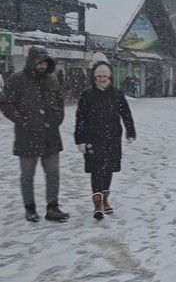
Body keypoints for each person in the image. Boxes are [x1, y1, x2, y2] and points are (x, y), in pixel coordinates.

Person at [0, 45, 69, 222]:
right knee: (27, 175)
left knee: (53, 173)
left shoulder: (52, 80)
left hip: (50, 135)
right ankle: (30, 208)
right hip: (27, 135)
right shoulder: (16, 80)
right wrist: (23, 121)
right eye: (39, 62)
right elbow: (5, 104)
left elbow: (60, 102)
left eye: (45, 62)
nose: (43, 65)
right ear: (31, 61)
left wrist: (57, 118)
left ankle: (52, 207)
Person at [74, 59, 136, 219]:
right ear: (94, 77)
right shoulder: (87, 95)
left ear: (110, 77)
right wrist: (80, 139)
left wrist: (130, 131)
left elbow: (126, 113)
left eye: (104, 76)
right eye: (98, 76)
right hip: (92, 138)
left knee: (108, 170)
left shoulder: (117, 94)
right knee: (96, 170)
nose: (101, 79)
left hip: (112, 138)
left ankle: (105, 199)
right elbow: (80, 118)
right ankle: (97, 204)